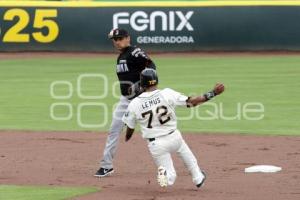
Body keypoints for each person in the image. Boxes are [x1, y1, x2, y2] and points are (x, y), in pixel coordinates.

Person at [122, 68, 225, 188]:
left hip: (156, 144)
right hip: (174, 137)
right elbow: (192, 102)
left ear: (142, 83)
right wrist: (213, 93)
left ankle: (165, 175)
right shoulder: (167, 93)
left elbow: (130, 127)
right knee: (186, 154)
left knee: (170, 178)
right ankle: (198, 178)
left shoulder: (134, 103)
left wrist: (127, 136)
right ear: (156, 81)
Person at [94, 28, 156, 177]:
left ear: (128, 38)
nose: (117, 42)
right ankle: (106, 166)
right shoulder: (121, 56)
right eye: (115, 39)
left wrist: (141, 85)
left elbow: (152, 67)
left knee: (157, 132)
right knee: (114, 130)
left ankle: (185, 165)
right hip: (125, 101)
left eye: (120, 38)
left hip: (142, 99)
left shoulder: (135, 52)